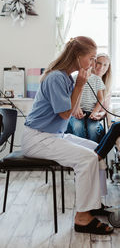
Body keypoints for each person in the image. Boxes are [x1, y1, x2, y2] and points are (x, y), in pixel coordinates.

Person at [21, 36, 113, 235]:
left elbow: (71, 110)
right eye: (91, 58)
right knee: (87, 159)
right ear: (78, 56)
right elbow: (65, 113)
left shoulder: (65, 77)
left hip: (52, 135)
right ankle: (82, 218)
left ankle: (93, 203)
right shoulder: (56, 77)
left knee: (97, 150)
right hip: (38, 138)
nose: (93, 63)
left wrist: (80, 83)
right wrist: (80, 84)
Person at [66, 53, 112, 143]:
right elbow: (71, 95)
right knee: (77, 127)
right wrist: (76, 108)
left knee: (93, 129)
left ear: (108, 68)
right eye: (99, 63)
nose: (101, 67)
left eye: (105, 65)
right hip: (77, 113)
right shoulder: (76, 78)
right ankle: (82, 150)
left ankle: (93, 151)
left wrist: (97, 113)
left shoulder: (99, 82)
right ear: (93, 63)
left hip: (93, 115)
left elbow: (103, 104)